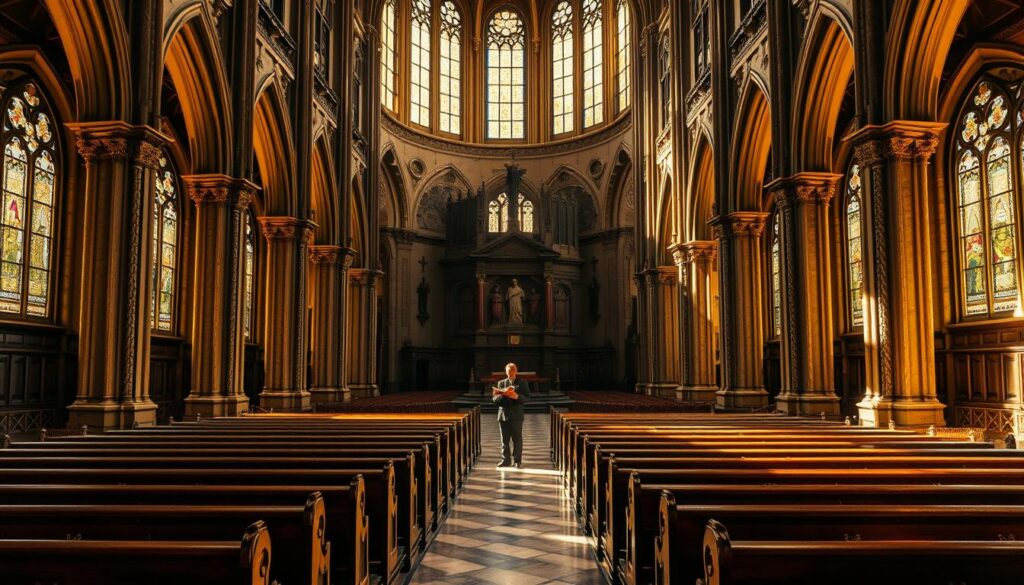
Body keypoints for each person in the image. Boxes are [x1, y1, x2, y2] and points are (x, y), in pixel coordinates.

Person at [492, 362, 530, 468]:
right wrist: (503, 394)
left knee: (517, 439)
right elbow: (494, 400)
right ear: (506, 372)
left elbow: (527, 398)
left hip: (516, 416)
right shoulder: (501, 383)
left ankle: (517, 461)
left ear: (516, 372)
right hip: (503, 415)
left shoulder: (522, 383)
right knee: (504, 440)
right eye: (509, 372)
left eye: (512, 372)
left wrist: (516, 396)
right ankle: (506, 460)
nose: (510, 374)